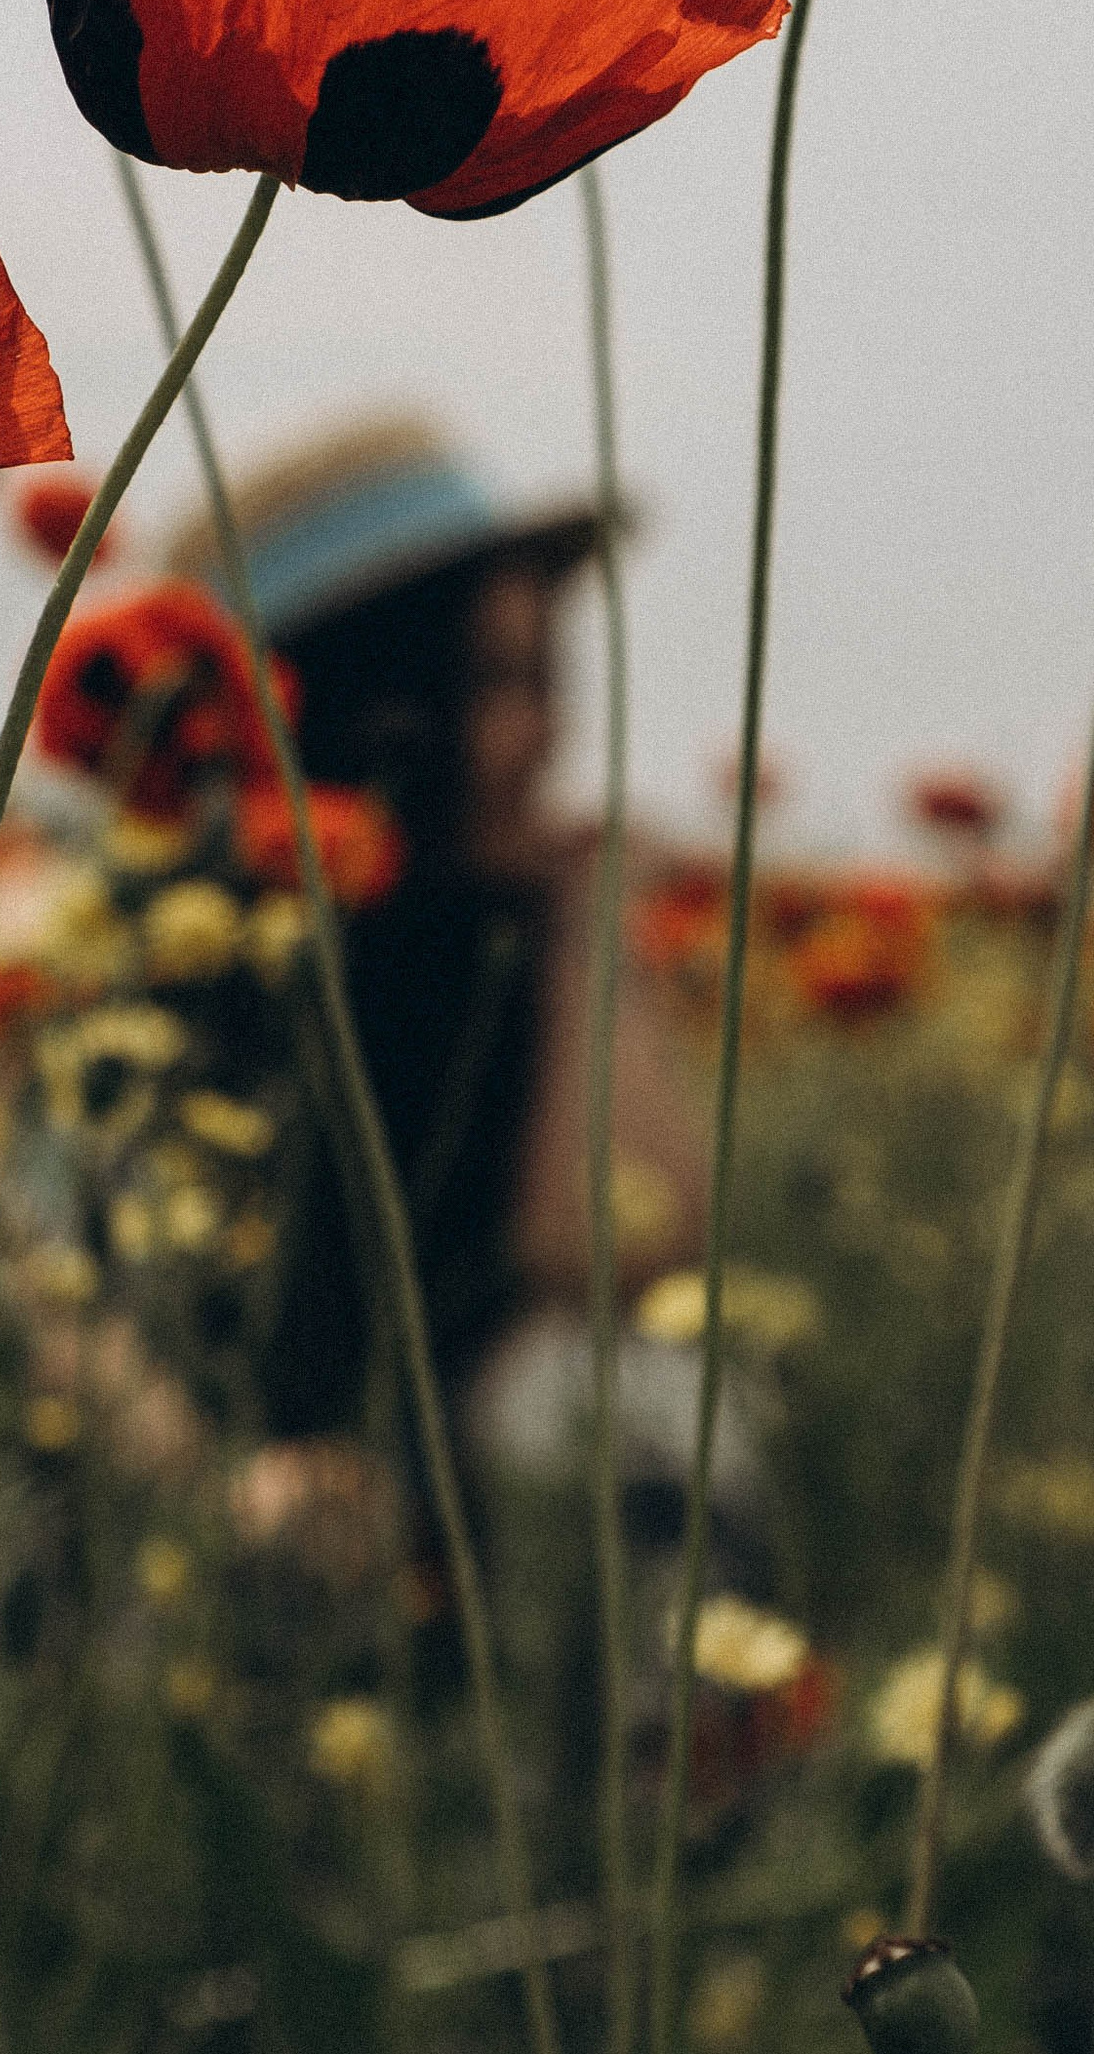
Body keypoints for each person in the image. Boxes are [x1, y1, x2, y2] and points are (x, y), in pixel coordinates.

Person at [168, 415, 715, 1504]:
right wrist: (219, 1484)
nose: (544, 736)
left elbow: (625, 1256)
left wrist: (593, 933)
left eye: (545, 678)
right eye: (492, 682)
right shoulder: (172, 946)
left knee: (638, 1402)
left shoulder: (507, 938)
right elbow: (51, 1295)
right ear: (367, 701)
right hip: (192, 1502)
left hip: (448, 1493)